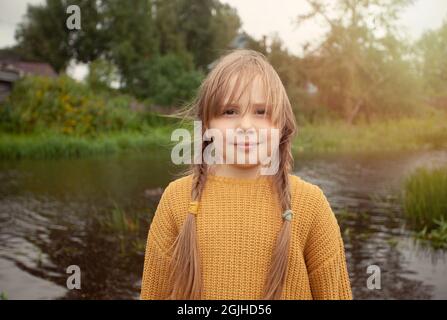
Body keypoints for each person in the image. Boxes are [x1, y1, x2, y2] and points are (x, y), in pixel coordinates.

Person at [140, 49, 352, 300]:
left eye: (261, 111)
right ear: (207, 125)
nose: (246, 126)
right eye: (230, 111)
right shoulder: (176, 199)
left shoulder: (310, 204)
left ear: (281, 125)